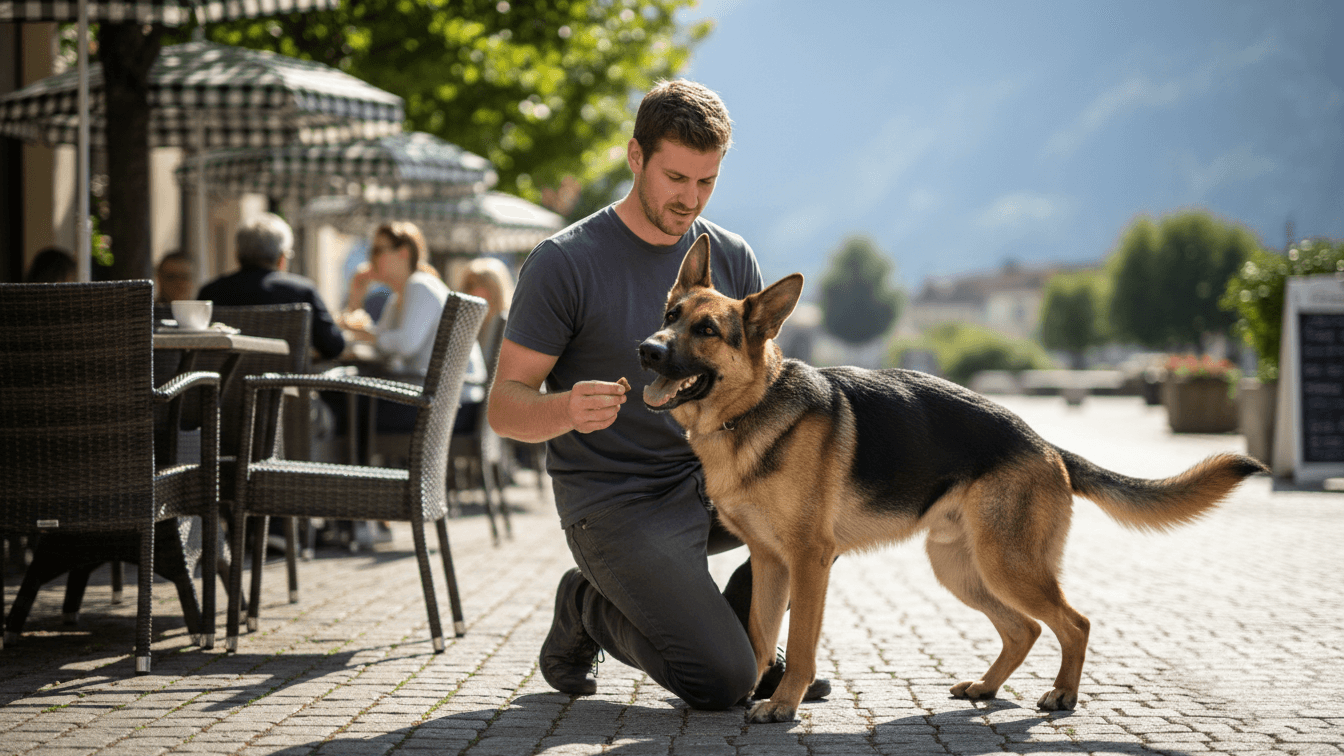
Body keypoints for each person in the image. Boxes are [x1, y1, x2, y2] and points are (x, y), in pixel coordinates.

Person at [488, 79, 828, 709]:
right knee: (723, 684)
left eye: (706, 183)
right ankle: (586, 605)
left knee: (818, 514)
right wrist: (564, 408)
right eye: (676, 178)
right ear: (636, 157)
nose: (690, 200)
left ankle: (741, 633)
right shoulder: (564, 263)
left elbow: (765, 383)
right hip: (617, 504)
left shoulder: (731, 256)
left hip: (712, 486)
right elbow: (505, 408)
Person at [339, 221, 487, 435]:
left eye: (378, 250)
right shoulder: (397, 298)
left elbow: (405, 344)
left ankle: (347, 467)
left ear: (403, 253)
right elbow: (383, 348)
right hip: (440, 399)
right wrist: (356, 295)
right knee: (351, 405)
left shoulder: (421, 285)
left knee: (346, 408)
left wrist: (364, 334)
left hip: (452, 407)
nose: (371, 258)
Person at [197, 213, 345, 361]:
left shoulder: (211, 291)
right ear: (282, 258)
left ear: (237, 255)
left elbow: (196, 345)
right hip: (284, 381)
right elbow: (333, 347)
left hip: (221, 381)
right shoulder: (302, 292)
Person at [455, 256, 515, 343]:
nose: (477, 291)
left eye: (484, 284)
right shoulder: (461, 327)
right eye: (470, 285)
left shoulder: (510, 327)